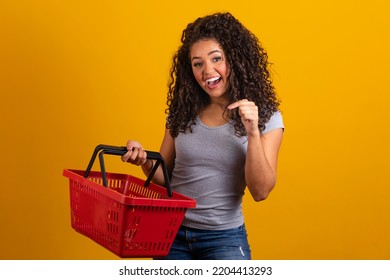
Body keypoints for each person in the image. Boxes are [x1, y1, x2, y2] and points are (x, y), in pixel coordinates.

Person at [121, 12, 284, 260]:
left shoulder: (266, 118)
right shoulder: (183, 111)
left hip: (224, 239)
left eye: (216, 58)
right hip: (170, 234)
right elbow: (163, 179)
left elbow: (260, 191)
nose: (207, 71)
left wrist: (252, 132)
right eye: (198, 63)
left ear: (235, 60)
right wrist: (143, 159)